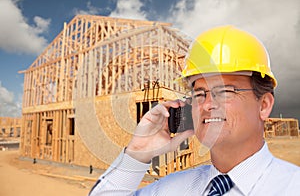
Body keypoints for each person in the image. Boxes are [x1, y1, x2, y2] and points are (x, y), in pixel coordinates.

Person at [89, 25, 300, 195]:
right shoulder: (171, 189)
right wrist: (137, 154)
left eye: (225, 91)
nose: (207, 104)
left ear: (263, 105)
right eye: (200, 93)